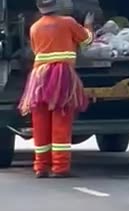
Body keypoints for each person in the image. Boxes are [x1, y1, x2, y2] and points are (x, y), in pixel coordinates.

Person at [18, 0, 94, 178]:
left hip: (39, 77)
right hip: (61, 76)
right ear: (58, 7)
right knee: (61, 120)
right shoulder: (68, 22)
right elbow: (87, 41)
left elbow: (36, 50)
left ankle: (41, 167)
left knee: (40, 121)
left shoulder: (35, 27)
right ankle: (60, 167)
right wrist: (89, 26)